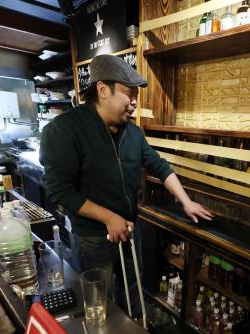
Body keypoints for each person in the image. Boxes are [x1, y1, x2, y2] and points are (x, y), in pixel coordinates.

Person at [40, 54, 212, 318]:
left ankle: (134, 331)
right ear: (102, 90)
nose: (134, 102)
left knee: (134, 288)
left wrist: (185, 201)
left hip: (130, 229)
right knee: (102, 299)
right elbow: (60, 191)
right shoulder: (64, 130)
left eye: (135, 96)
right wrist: (109, 217)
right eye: (128, 94)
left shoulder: (132, 133)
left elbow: (159, 166)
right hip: (94, 238)